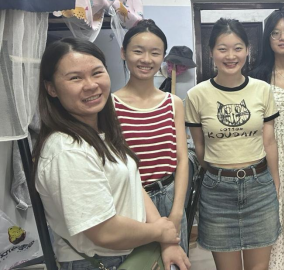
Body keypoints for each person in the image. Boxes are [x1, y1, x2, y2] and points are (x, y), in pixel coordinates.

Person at [34, 38, 190, 270]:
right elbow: (105, 231)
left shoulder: (101, 133)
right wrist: (160, 231)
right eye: (75, 78)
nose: (90, 85)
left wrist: (165, 237)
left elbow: (132, 184)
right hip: (101, 261)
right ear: (51, 88)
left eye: (97, 73)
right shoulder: (67, 150)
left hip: (134, 249)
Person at [185, 18, 281, 270]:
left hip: (259, 187)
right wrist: (218, 173)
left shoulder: (263, 90)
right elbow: (199, 147)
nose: (230, 56)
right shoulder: (196, 95)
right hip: (217, 192)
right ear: (211, 52)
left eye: (238, 48)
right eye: (222, 49)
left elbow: (269, 141)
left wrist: (275, 183)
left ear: (247, 50)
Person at [113, 19, 189, 254]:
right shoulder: (109, 106)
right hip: (130, 201)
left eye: (155, 53)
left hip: (169, 197)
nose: (146, 59)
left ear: (163, 57)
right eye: (138, 51)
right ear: (124, 53)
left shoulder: (173, 103)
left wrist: (177, 211)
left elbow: (182, 159)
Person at [250, 10, 284, 270]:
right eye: (275, 33)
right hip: (266, 154)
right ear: (267, 38)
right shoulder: (256, 76)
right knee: (270, 218)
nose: (283, 38)